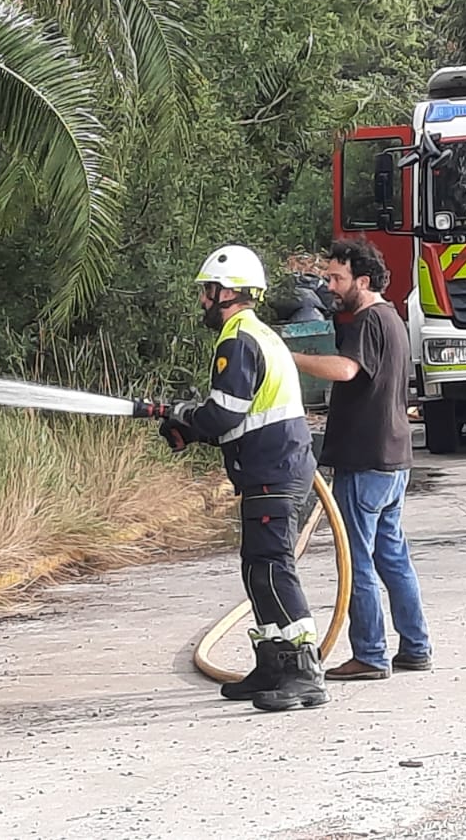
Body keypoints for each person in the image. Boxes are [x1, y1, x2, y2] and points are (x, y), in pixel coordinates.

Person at [161, 244, 329, 712]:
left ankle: (304, 672)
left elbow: (222, 414)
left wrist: (186, 418)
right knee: (257, 568)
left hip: (274, 471)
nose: (202, 302)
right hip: (268, 468)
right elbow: (240, 420)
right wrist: (189, 427)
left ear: (227, 292)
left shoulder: (238, 338)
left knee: (273, 567)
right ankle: (273, 663)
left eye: (207, 292)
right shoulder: (259, 335)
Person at [291, 239, 432, 680]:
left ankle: (370, 654)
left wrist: (287, 357)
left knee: (357, 561)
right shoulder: (392, 319)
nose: (330, 286)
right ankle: (415, 646)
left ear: (363, 280)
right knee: (392, 555)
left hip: (365, 461)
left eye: (337, 278)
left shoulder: (369, 322)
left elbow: (347, 370)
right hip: (393, 459)